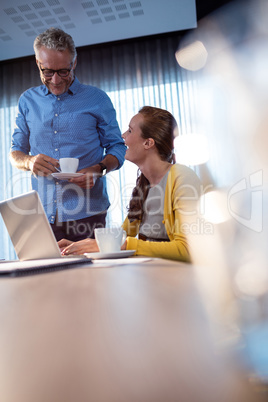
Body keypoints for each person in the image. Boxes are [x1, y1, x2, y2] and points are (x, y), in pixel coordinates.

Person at [9, 27, 126, 242]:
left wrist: (99, 169)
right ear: (38, 63)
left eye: (63, 71)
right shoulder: (27, 101)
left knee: (90, 275)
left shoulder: (97, 99)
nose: (55, 80)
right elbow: (15, 152)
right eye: (48, 72)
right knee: (46, 274)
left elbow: (118, 147)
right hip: (43, 214)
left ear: (74, 63)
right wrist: (29, 161)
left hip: (89, 212)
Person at [59, 106, 202, 262]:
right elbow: (120, 237)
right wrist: (79, 246)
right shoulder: (144, 185)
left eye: (129, 131)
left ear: (148, 143)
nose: (123, 136)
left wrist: (125, 245)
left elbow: (188, 249)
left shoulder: (182, 177)